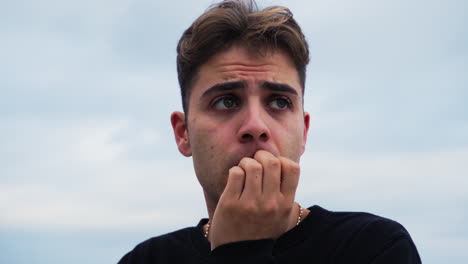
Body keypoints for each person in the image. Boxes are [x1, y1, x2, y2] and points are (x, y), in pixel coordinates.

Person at [118, 0, 421, 263]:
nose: (255, 126)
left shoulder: (373, 248)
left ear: (303, 132)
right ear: (183, 133)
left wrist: (241, 252)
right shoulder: (147, 259)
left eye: (278, 101)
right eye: (226, 101)